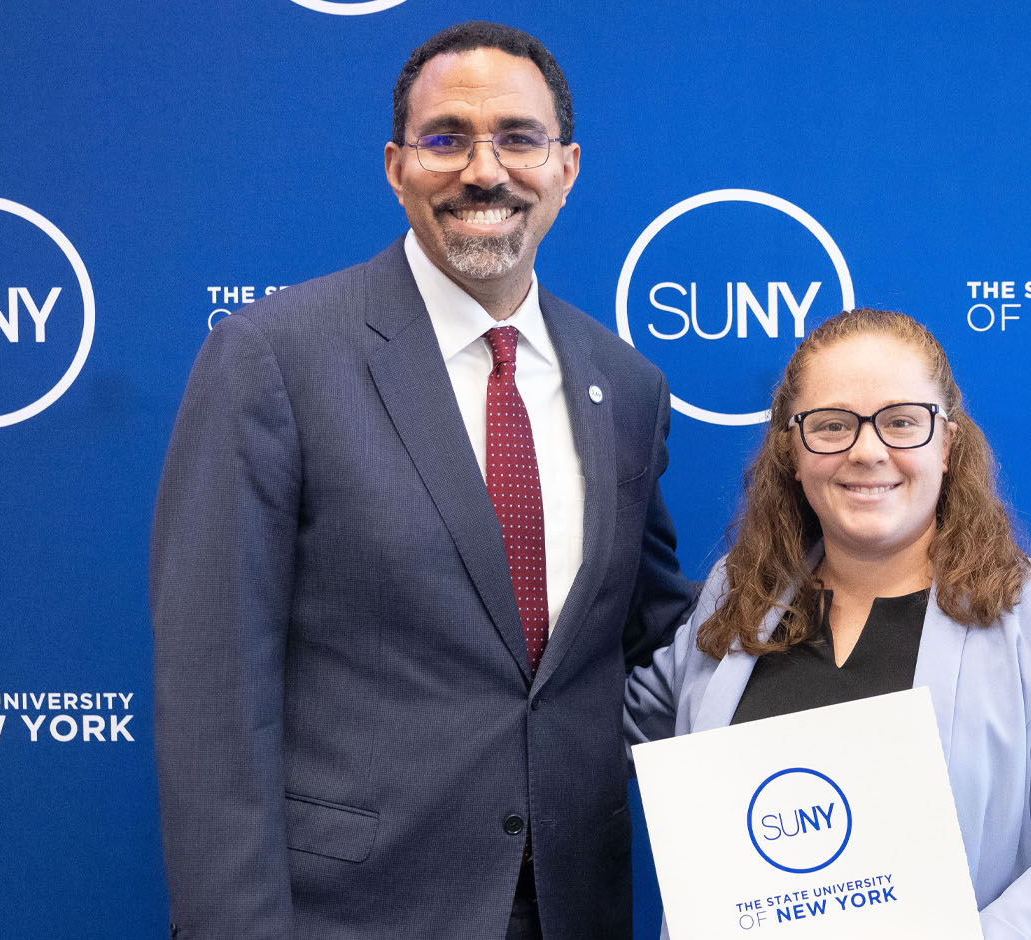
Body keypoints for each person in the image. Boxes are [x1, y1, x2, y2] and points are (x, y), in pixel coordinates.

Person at [152, 21, 693, 940]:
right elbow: (212, 694)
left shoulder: (626, 386)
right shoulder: (275, 357)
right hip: (354, 915)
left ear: (567, 168)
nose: (485, 171)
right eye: (448, 138)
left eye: (518, 138)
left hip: (573, 908)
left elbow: (653, 639)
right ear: (397, 166)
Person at [626, 309, 1031, 940]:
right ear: (793, 453)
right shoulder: (734, 601)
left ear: (948, 445)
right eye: (831, 426)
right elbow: (591, 732)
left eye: (902, 422)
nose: (868, 451)